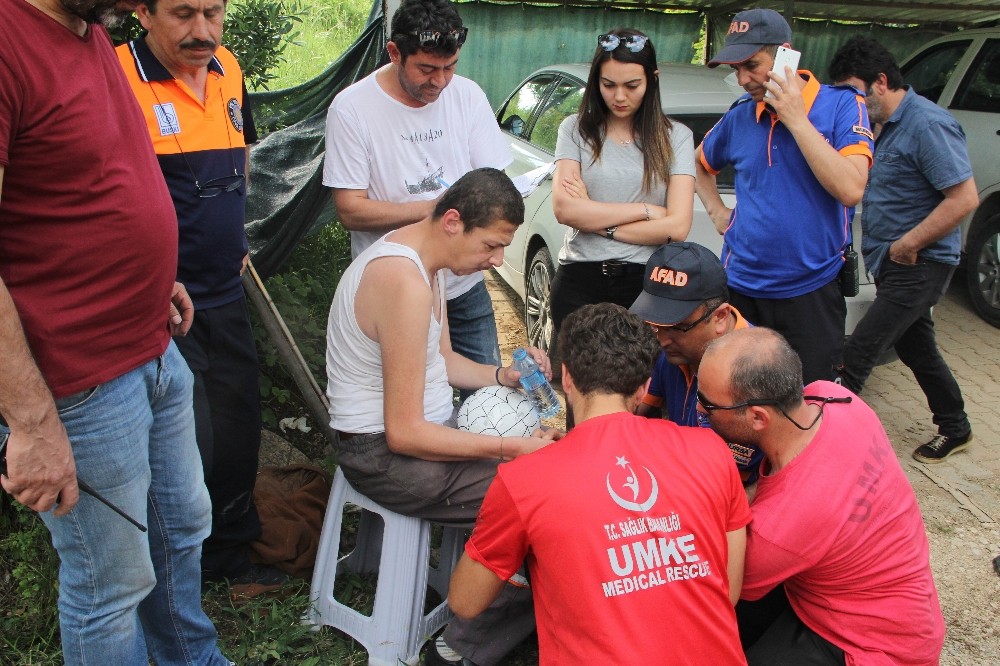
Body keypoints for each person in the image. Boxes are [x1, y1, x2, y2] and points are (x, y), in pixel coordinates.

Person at [0, 0, 228, 663]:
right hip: (77, 384)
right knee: (110, 583)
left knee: (181, 528)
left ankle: (190, 657)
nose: (135, 4)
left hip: (152, 344)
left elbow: (83, 186)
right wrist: (33, 425)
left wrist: (150, 276)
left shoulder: (85, 27)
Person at [325, 167, 556, 666]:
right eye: (492, 246)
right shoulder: (401, 281)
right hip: (382, 455)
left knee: (543, 468)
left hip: (422, 437)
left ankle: (497, 606)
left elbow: (444, 362)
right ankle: (466, 645)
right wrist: (511, 449)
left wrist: (503, 375)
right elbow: (404, 433)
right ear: (453, 221)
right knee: (539, 503)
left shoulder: (425, 269)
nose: (497, 261)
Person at [448, 302, 751, 664]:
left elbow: (465, 601)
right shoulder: (711, 450)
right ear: (644, 387)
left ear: (568, 378)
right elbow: (727, 590)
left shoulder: (524, 479)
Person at [116, 0, 286, 597]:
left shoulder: (228, 68)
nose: (203, 32)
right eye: (184, 14)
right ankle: (171, 578)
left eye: (212, 13)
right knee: (185, 447)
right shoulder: (116, 78)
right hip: (155, 307)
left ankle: (230, 561)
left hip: (224, 292)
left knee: (239, 430)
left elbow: (240, 150)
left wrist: (231, 228)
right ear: (142, 12)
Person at [697, 328, 945, 664]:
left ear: (758, 417)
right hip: (906, 609)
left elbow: (728, 587)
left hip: (869, 645)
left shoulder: (780, 531)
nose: (699, 408)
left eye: (708, 405)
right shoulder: (832, 398)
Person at [324, 0, 510, 377]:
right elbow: (350, 210)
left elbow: (494, 180)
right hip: (397, 289)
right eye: (427, 69)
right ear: (394, 52)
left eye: (450, 67)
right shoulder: (352, 109)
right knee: (417, 404)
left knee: (492, 396)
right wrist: (432, 209)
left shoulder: (468, 95)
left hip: (463, 283)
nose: (440, 81)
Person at [695, 8, 873, 384]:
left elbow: (851, 187)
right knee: (739, 400)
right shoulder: (741, 115)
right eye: (736, 69)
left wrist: (795, 117)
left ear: (786, 55)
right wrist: (716, 211)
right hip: (742, 288)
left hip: (811, 292)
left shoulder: (842, 105)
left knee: (808, 404)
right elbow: (698, 164)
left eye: (753, 65)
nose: (743, 79)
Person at [829, 36, 977, 464]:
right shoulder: (878, 125)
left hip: (920, 261)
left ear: (879, 82)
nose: (852, 102)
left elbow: (964, 198)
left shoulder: (927, 124)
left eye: (855, 92)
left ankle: (825, 447)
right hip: (892, 262)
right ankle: (956, 425)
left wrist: (908, 245)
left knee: (858, 353)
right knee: (917, 348)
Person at [550, 27, 695, 355]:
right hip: (578, 280)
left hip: (645, 286)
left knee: (638, 397)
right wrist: (645, 211)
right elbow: (565, 210)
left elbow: (676, 228)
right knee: (582, 396)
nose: (619, 96)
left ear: (652, 80)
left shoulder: (677, 138)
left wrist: (599, 220)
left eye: (632, 86)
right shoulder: (575, 130)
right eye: (608, 84)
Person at [629, 242, 761, 485]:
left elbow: (740, 487)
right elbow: (630, 412)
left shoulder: (754, 374)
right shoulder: (672, 348)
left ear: (720, 317)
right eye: (654, 323)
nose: (661, 338)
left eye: (676, 327)